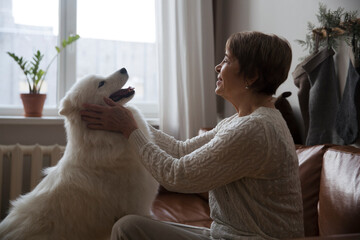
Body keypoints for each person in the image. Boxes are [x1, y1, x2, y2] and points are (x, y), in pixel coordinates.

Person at [80, 31, 304, 240]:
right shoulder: (242, 120)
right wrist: (130, 120)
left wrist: (130, 130)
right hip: (224, 235)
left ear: (252, 76)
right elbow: (181, 150)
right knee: (127, 225)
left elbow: (176, 175)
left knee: (127, 230)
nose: (218, 67)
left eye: (226, 60)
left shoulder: (256, 129)